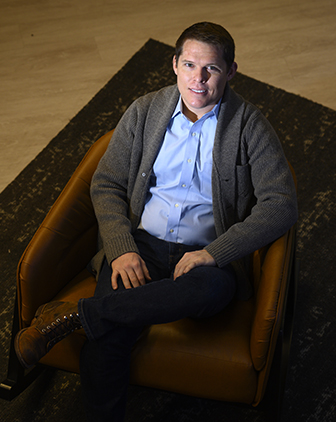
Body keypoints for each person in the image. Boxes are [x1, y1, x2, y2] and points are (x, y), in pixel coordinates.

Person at [14, 22, 298, 421]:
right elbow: (107, 183)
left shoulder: (250, 126)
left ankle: (79, 315)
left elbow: (281, 204)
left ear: (231, 72)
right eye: (189, 65)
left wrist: (214, 254)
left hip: (204, 258)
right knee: (108, 340)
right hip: (140, 243)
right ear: (175, 65)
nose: (197, 79)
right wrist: (121, 248)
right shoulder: (145, 111)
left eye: (211, 69)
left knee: (208, 292)